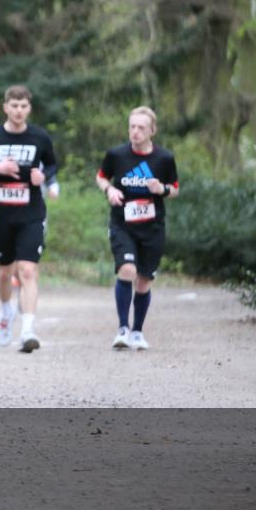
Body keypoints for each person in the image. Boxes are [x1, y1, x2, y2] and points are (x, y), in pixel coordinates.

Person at [0, 85, 57, 353]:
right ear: (5, 107)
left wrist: (43, 178)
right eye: (14, 105)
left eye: (23, 106)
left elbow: (52, 165)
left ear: (29, 108)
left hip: (32, 214)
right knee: (5, 271)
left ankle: (28, 329)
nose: (19, 110)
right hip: (2, 215)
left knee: (28, 270)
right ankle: (6, 310)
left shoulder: (40, 138)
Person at [95, 106, 179, 350]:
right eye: (132, 126)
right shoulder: (116, 155)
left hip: (152, 228)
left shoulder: (164, 158)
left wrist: (161, 189)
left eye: (141, 127)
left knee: (143, 282)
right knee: (127, 270)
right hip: (123, 224)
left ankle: (137, 332)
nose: (135, 132)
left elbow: (175, 189)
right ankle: (122, 328)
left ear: (152, 130)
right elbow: (101, 176)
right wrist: (109, 189)